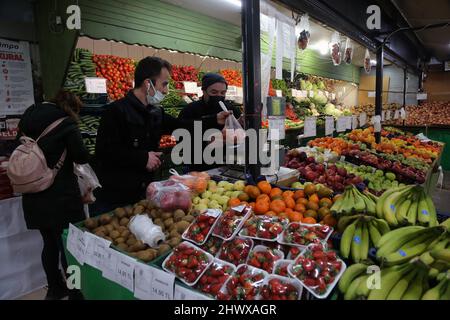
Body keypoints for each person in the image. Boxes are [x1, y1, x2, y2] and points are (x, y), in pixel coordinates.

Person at [94, 57, 230, 213]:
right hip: (116, 197)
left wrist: (214, 119)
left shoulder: (155, 112)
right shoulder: (116, 111)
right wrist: (142, 158)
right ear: (147, 84)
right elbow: (104, 152)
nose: (166, 90)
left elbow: (182, 126)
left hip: (144, 192)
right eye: (164, 84)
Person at [18, 90, 89, 300]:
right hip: (62, 198)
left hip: (34, 195)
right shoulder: (66, 124)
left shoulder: (28, 116)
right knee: (70, 249)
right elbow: (81, 156)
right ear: (71, 107)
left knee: (49, 245)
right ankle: (76, 292)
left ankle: (54, 288)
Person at [178, 73, 242, 172]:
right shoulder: (190, 110)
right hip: (198, 167)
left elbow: (241, 136)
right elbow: (181, 139)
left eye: (222, 93)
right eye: (214, 92)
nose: (219, 96)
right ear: (204, 91)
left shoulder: (231, 109)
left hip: (226, 164)